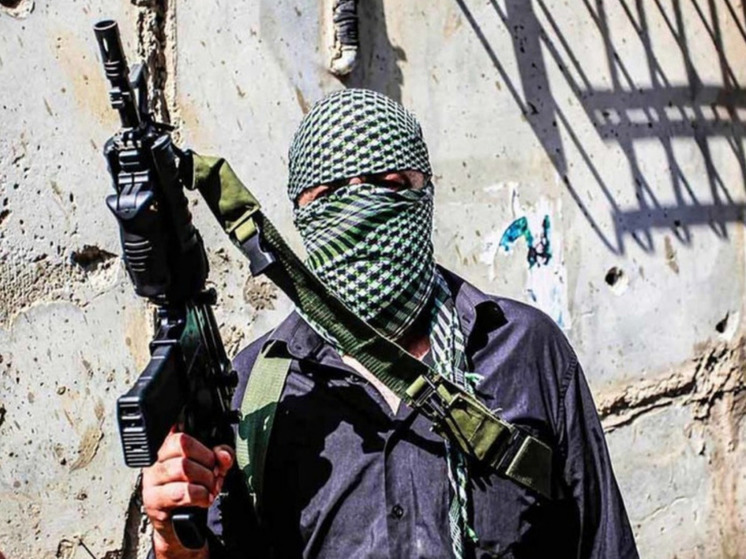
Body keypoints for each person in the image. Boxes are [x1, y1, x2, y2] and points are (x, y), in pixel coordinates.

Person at [142, 89, 639, 559]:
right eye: (332, 194)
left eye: (389, 185)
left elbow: (603, 541)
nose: (362, 210)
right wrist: (174, 540)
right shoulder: (257, 392)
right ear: (301, 216)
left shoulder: (525, 349)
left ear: (426, 196)